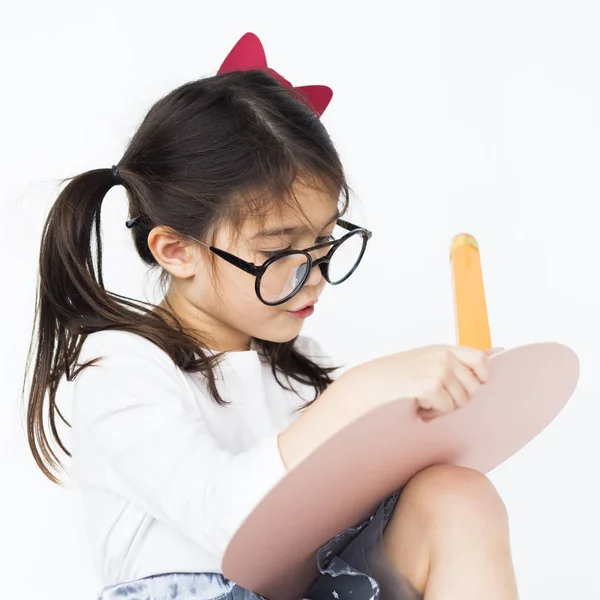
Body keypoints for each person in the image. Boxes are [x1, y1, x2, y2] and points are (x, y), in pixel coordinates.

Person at [23, 33, 519, 600]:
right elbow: (229, 523)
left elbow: (338, 530)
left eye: (325, 242)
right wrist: (356, 396)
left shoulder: (303, 371)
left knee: (455, 497)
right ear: (176, 250)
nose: (315, 275)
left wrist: (432, 417)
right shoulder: (120, 367)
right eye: (279, 250)